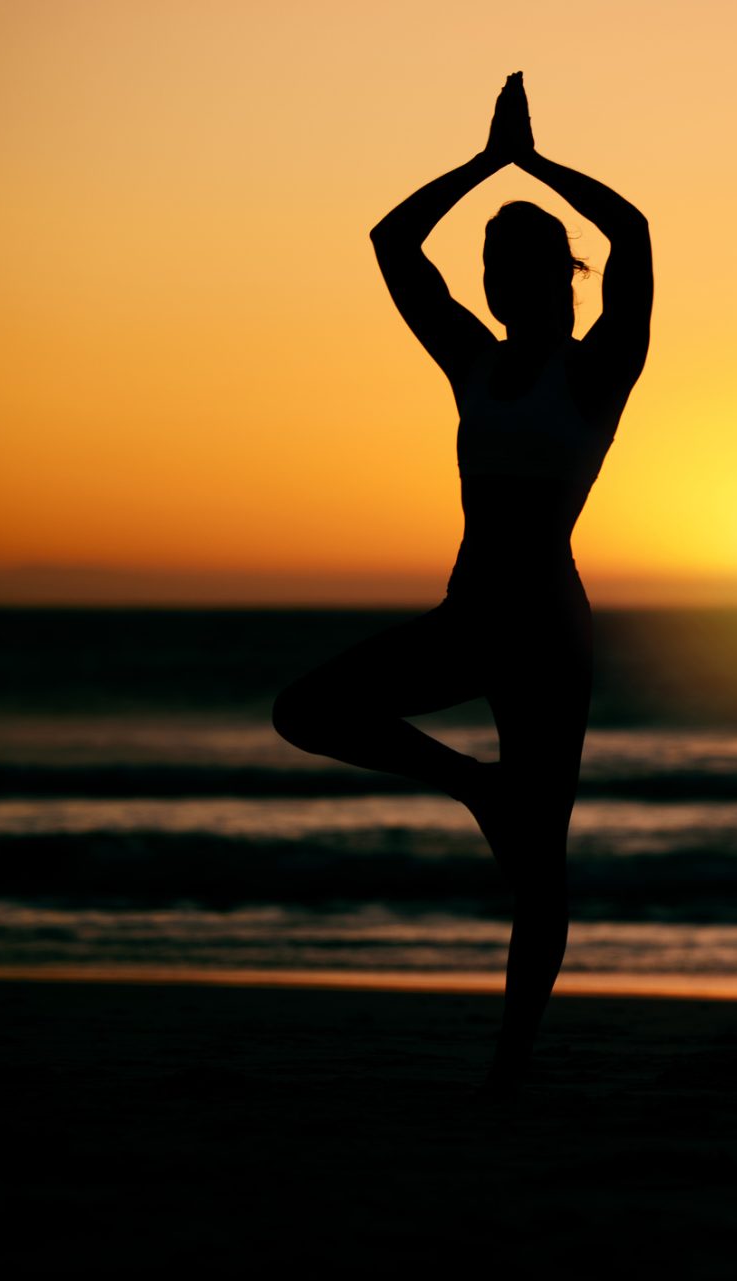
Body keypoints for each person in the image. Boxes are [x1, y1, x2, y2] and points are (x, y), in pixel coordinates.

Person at [272, 73, 652, 1094]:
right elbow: (395, 246)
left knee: (542, 862)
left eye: (517, 265)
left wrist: (539, 167)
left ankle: (512, 1063)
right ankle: (476, 787)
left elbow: (636, 236)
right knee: (307, 710)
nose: (496, 280)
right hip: (470, 613)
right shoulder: (473, 364)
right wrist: (485, 167)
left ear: (559, 277)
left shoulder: (600, 368)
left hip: (547, 629)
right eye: (489, 264)